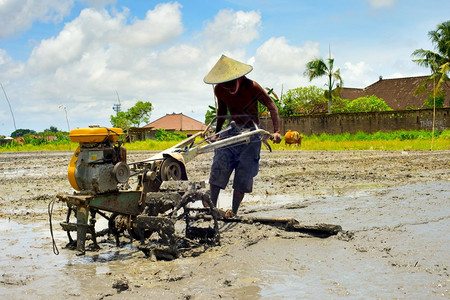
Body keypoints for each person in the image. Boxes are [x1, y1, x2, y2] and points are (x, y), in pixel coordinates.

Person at [203, 55, 282, 215]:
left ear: (235, 77)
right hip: (232, 132)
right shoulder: (219, 89)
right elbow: (221, 112)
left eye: (227, 83)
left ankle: (234, 212)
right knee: (219, 166)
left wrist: (277, 131)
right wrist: (217, 134)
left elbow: (271, 105)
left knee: (243, 176)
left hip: (251, 135)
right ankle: (211, 210)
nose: (225, 86)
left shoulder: (252, 86)